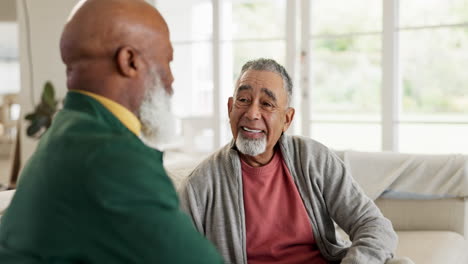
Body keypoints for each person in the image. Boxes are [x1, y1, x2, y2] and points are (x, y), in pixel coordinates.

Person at [0, 0, 223, 263]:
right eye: (167, 61)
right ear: (129, 61)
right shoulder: (112, 157)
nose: (171, 79)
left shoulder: (66, 131)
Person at [180, 58, 398, 264]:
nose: (252, 113)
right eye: (243, 100)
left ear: (287, 119)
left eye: (266, 104)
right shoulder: (200, 184)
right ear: (230, 108)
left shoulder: (314, 159)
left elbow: (374, 225)